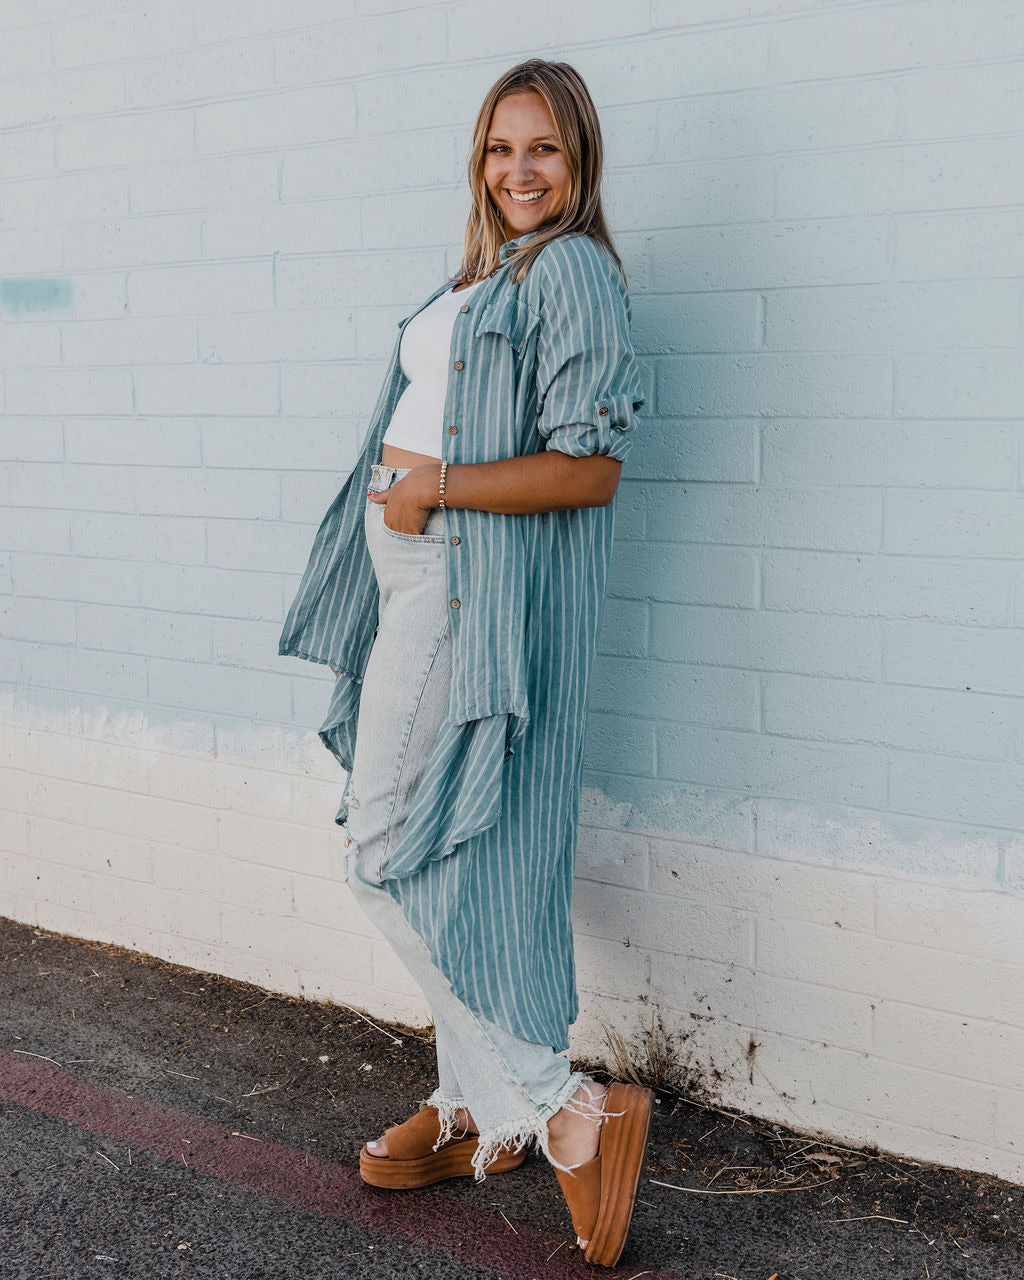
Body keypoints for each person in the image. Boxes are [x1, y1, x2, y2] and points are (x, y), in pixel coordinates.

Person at [278, 57, 652, 1267]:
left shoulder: (576, 272)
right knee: (444, 849)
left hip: (459, 583)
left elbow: (587, 467)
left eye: (542, 149)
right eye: (499, 150)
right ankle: (469, 1107)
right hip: (411, 574)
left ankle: (558, 1105)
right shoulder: (484, 273)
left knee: (383, 851)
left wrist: (432, 488)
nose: (518, 171)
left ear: (580, 159)